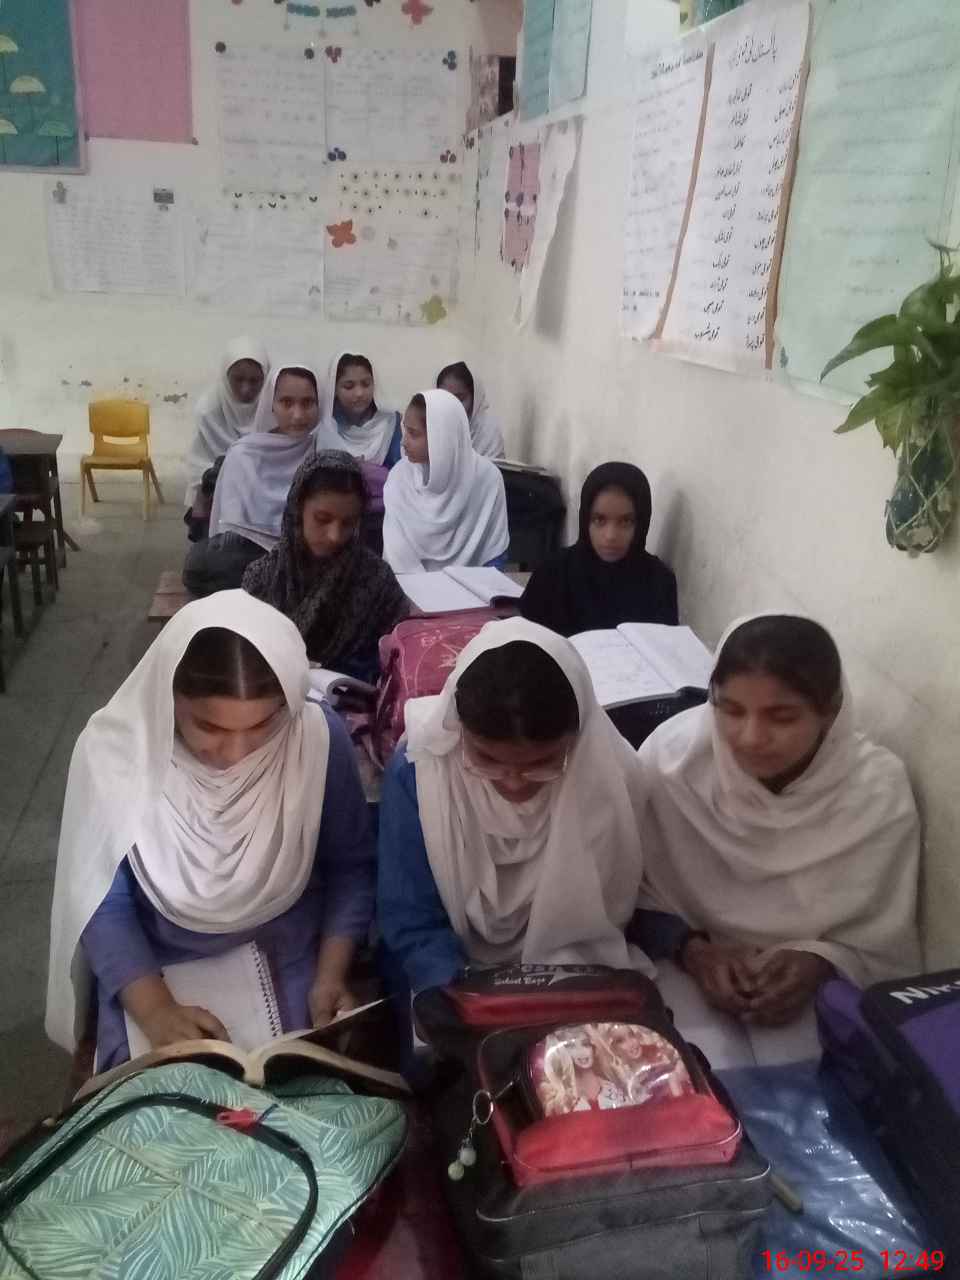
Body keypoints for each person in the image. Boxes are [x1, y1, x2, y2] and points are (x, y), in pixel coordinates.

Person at [45, 592, 376, 1071]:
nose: (236, 753)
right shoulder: (116, 756)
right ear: (167, 697)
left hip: (287, 956)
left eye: (262, 725)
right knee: (163, 1095)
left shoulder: (315, 740)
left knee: (303, 1084)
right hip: (154, 966)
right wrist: (156, 1010)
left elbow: (350, 868)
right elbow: (100, 901)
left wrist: (330, 977)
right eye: (208, 726)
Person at [634, 614, 921, 1056]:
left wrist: (821, 962)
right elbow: (625, 891)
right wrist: (692, 951)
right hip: (676, 970)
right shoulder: (672, 764)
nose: (751, 738)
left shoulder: (874, 793)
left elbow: (880, 939)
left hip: (816, 1002)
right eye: (730, 711)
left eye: (782, 717)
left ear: (831, 711)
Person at [377, 617, 652, 997]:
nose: (513, 782)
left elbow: (635, 907)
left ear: (578, 739)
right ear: (458, 729)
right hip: (451, 981)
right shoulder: (422, 772)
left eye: (542, 763)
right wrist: (468, 998)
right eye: (487, 759)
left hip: (579, 978)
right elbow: (411, 920)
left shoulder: (612, 780)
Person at [243, 451, 409, 682]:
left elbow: (399, 657)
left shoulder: (378, 581)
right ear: (298, 509)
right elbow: (244, 662)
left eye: (348, 523)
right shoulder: (262, 580)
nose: (335, 536)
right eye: (322, 519)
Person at [184, 360, 337, 595]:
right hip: (250, 555)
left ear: (321, 404)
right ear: (271, 405)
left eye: (308, 403)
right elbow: (233, 528)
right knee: (202, 563)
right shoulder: (244, 455)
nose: (298, 415)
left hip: (309, 555)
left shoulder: (325, 451)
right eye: (286, 403)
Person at [521, 462, 678, 637]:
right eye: (599, 520)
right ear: (585, 520)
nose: (610, 536)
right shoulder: (551, 575)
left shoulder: (659, 583)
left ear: (641, 524)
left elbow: (664, 649)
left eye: (625, 522)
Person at [382, 389, 509, 574]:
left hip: (471, 587)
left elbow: (494, 554)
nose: (403, 442)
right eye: (404, 430)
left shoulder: (487, 479)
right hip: (410, 586)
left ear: (441, 436)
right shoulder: (400, 477)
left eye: (413, 433)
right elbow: (397, 559)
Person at [183, 338, 270, 531]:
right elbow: (198, 464)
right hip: (214, 496)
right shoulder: (208, 410)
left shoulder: (273, 409)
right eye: (238, 379)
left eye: (254, 381)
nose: (246, 389)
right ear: (225, 376)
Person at [321, 351, 403, 467]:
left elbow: (402, 471)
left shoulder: (392, 423)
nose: (359, 393)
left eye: (366, 384)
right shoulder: (327, 427)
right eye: (349, 386)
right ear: (334, 389)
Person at [436, 360, 506, 459]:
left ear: (475, 398)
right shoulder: (430, 426)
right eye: (444, 398)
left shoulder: (489, 432)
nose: (451, 405)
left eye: (459, 399)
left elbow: (492, 468)